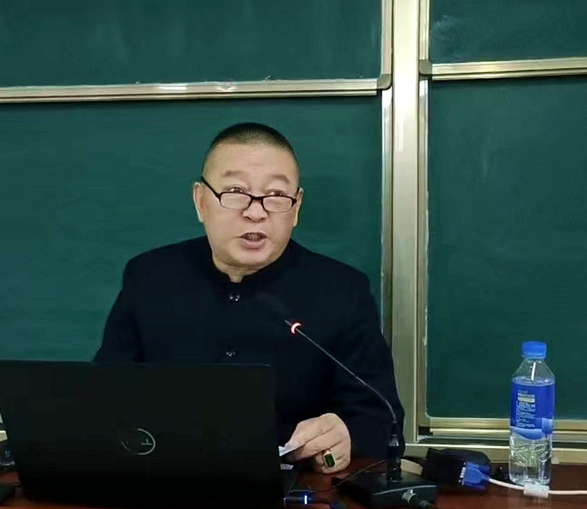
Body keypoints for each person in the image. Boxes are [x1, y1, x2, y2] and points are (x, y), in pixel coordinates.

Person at [93, 122, 405, 473]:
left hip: (290, 485)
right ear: (200, 201)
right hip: (162, 479)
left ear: (296, 207)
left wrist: (346, 435)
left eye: (276, 195)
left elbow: (382, 420)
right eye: (235, 191)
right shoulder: (148, 277)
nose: (256, 212)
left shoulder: (342, 290)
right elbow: (103, 398)